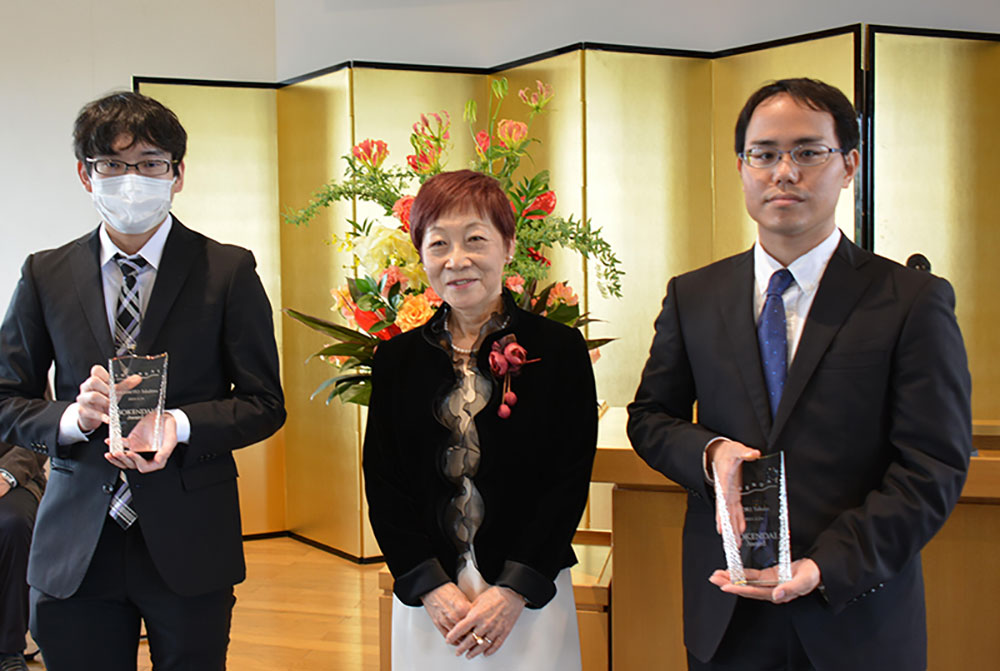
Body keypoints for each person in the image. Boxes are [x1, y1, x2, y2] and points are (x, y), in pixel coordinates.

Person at [627, 78, 971, 670]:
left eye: (809, 152)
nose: (784, 172)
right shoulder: (694, 295)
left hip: (855, 616)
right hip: (728, 612)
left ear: (849, 165)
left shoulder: (911, 299)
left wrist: (825, 566)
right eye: (764, 154)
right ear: (741, 168)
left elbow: (932, 466)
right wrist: (709, 452)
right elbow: (650, 418)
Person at [0, 91, 286, 671]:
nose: (132, 179)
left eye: (151, 163)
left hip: (189, 535)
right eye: (112, 164)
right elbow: (7, 396)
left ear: (177, 174)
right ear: (86, 174)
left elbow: (264, 403)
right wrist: (71, 419)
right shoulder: (45, 273)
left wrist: (177, 426)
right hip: (76, 539)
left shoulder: (228, 270)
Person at [363, 169, 598, 669]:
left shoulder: (557, 350)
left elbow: (568, 479)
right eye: (438, 243)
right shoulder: (396, 360)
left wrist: (514, 589)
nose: (457, 260)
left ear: (508, 245)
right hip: (434, 601)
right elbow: (384, 482)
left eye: (475, 239)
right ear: (421, 254)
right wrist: (428, 585)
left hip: (527, 591)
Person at [0, 440, 47, 671]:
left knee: (12, 524)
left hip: (13, 474)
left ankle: (8, 649)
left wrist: (6, 475)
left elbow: (39, 428)